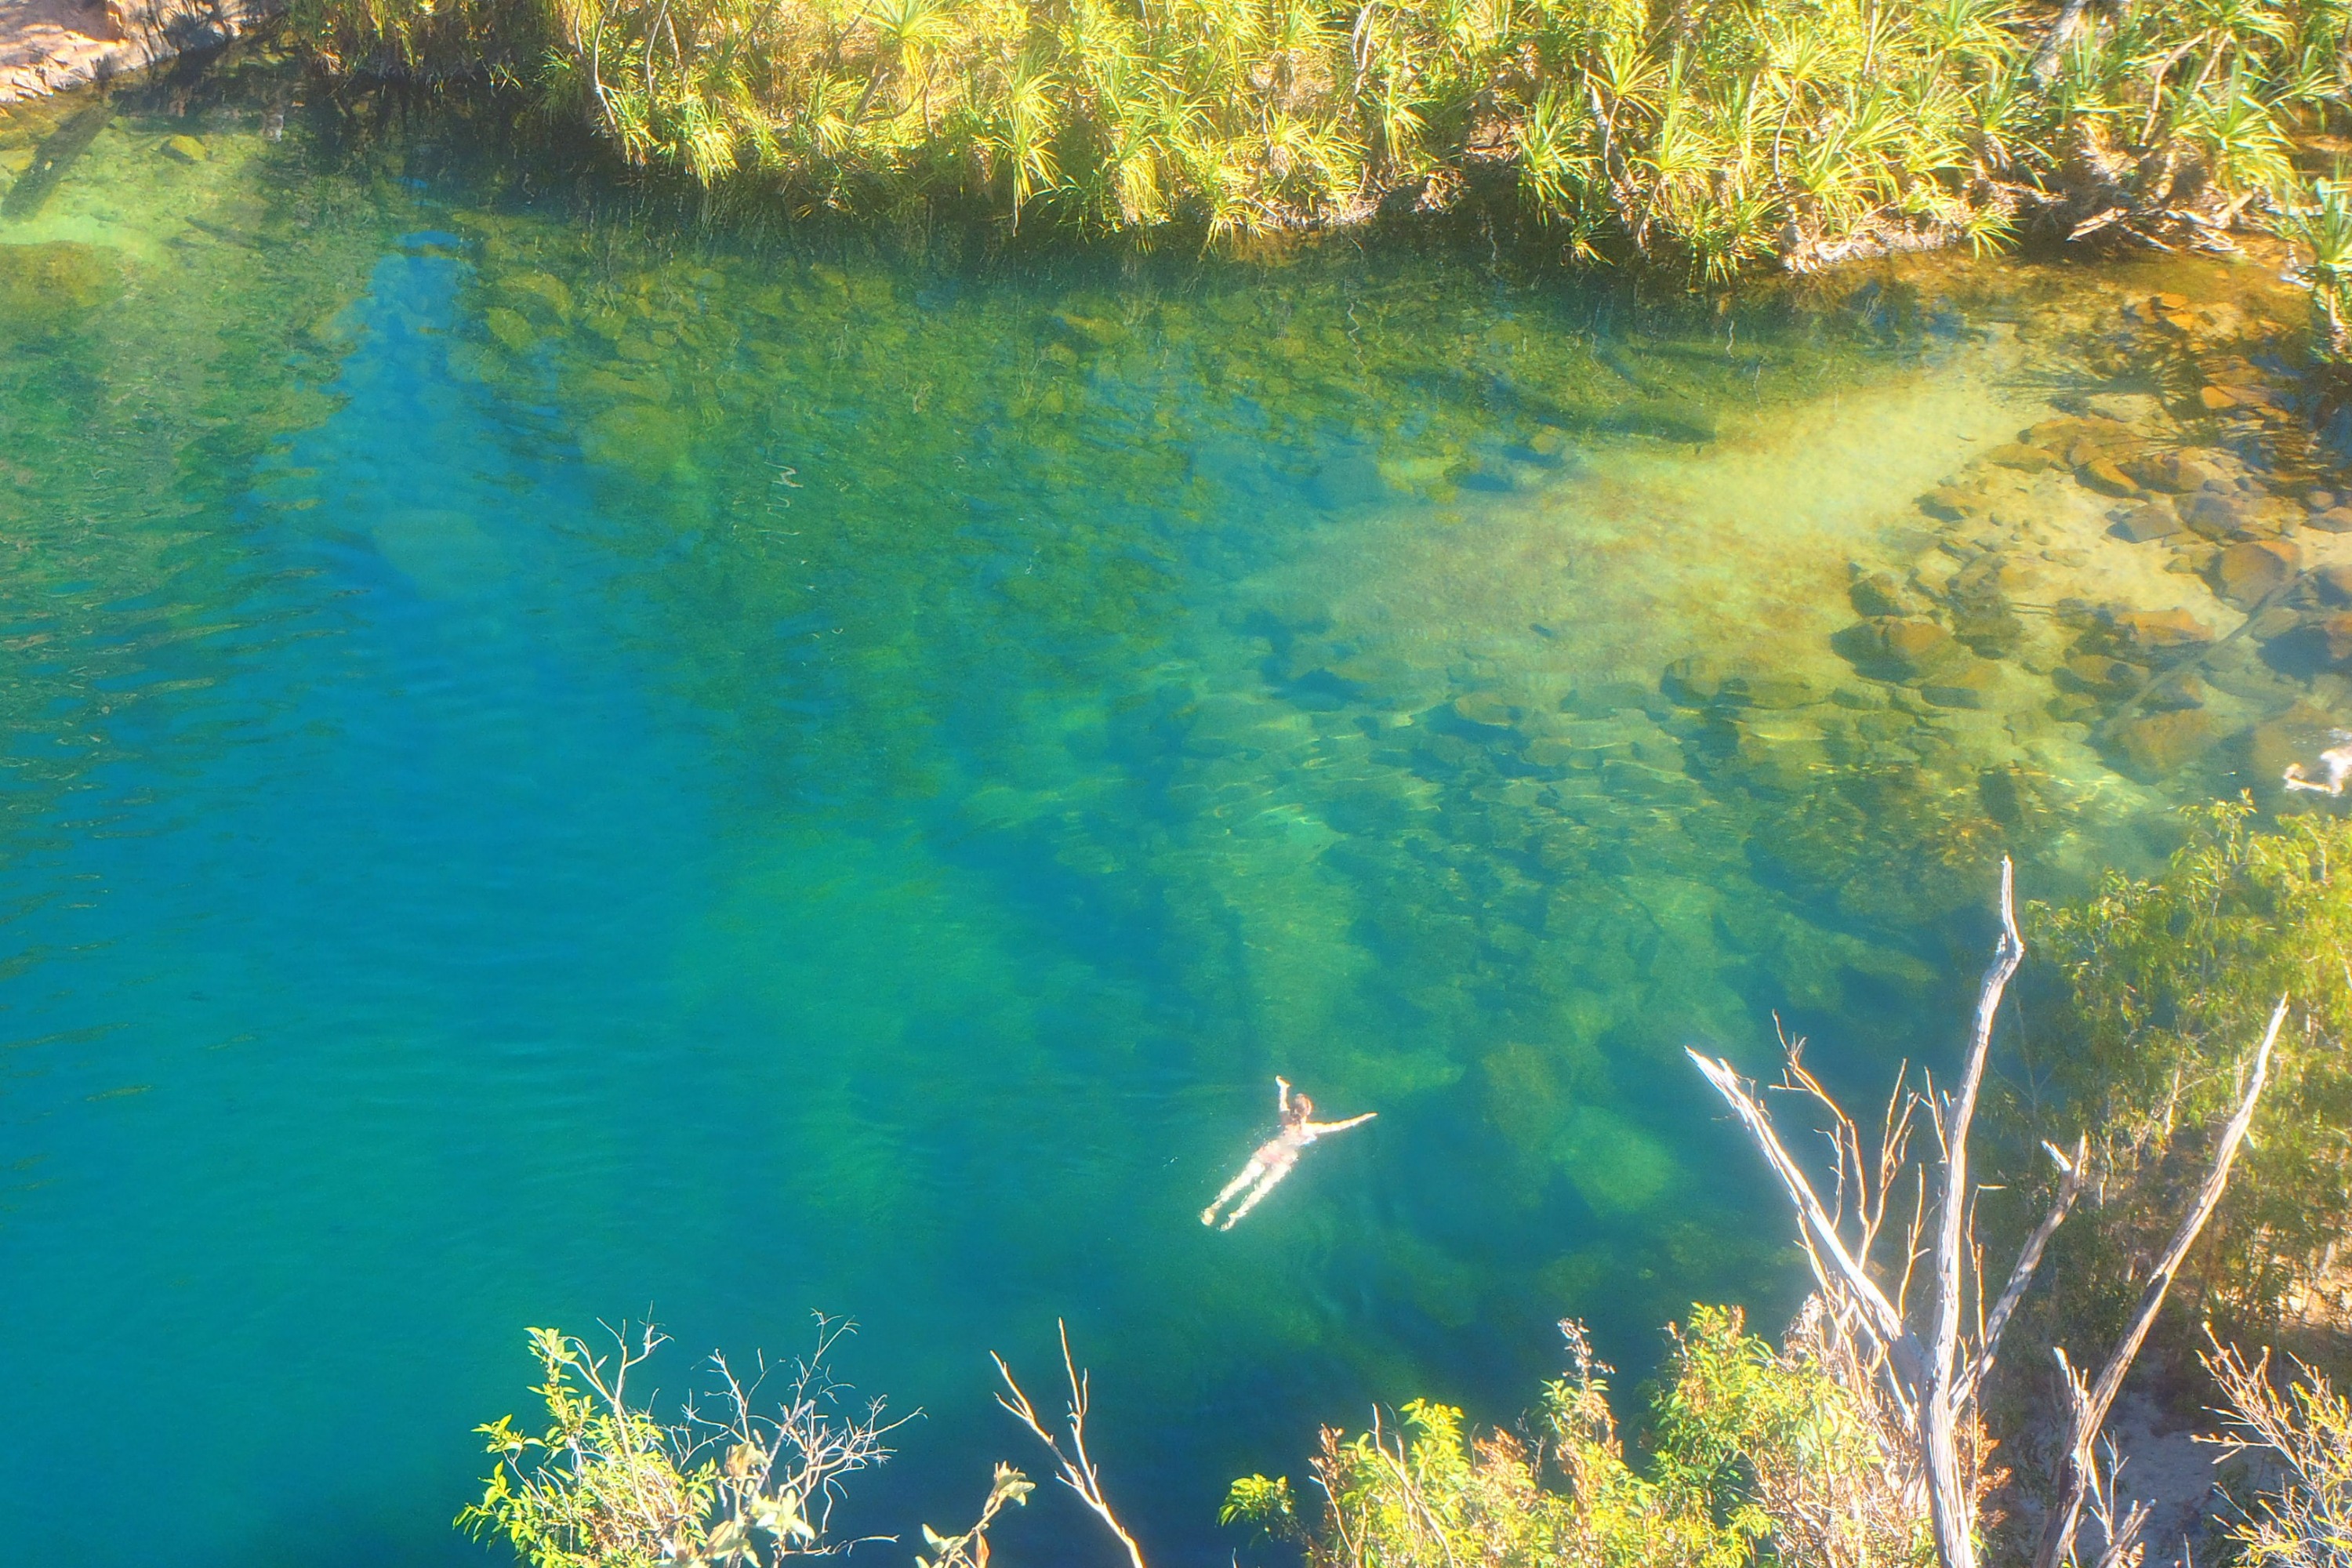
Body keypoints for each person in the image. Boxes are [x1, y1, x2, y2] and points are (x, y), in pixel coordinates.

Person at [1200, 1077, 1375, 1231]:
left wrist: (1283, 1088)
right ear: (1308, 1112)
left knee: (1241, 1181)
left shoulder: (1285, 1117)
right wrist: (1363, 1118)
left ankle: (1213, 1208)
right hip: (1283, 1161)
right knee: (1261, 1190)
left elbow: (1282, 1101)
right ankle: (1236, 1216)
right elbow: (1340, 1125)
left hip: (1268, 1152)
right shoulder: (1312, 1129)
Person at [2282, 731, 2352, 796]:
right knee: (2335, 790)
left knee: (2306, 771)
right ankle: (2300, 784)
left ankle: (2294, 774)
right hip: (2341, 762)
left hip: (2332, 754)